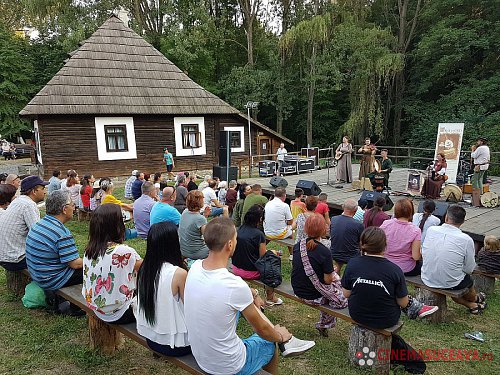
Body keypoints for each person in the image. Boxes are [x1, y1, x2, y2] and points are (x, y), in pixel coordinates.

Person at [184, 217, 315, 375]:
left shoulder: (196, 267)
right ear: (230, 244)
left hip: (201, 356)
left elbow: (228, 288)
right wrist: (279, 335)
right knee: (269, 342)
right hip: (226, 365)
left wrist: (252, 292)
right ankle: (286, 342)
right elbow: (262, 329)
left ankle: (288, 342)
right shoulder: (233, 286)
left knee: (248, 305)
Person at [341, 227, 438, 330]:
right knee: (399, 297)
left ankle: (417, 307)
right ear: (385, 245)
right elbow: (403, 303)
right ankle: (416, 307)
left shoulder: (352, 263)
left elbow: (346, 294)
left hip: (357, 314)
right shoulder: (394, 270)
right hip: (386, 319)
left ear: (362, 244)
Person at [136, 222, 191, 356]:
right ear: (172, 243)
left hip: (152, 339)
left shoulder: (144, 269)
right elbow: (191, 309)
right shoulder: (178, 274)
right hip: (177, 344)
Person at [83, 204, 142, 323]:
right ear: (116, 225)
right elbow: (146, 268)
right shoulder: (124, 251)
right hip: (121, 312)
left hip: (97, 309)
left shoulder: (89, 251)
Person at [421, 205, 486, 314]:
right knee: (466, 282)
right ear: (463, 222)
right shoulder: (466, 240)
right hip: (449, 282)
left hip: (427, 276)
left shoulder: (432, 230)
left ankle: (473, 304)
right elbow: (469, 268)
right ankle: (474, 299)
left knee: (455, 278)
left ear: (446, 217)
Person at [292, 214, 347, 337]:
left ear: (306, 229)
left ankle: (324, 324)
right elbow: (327, 281)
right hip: (312, 296)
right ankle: (324, 324)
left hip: (298, 289)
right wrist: (334, 271)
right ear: (323, 230)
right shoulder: (325, 252)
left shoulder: (298, 246)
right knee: (339, 297)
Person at [25, 191, 83, 295]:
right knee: (92, 271)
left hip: (38, 275)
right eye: (72, 205)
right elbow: (76, 264)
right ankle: (79, 307)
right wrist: (94, 261)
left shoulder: (39, 224)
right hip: (51, 280)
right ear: (64, 209)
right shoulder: (61, 233)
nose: (74, 208)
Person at [232, 205, 282, 306]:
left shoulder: (239, 229)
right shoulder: (258, 235)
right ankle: (270, 297)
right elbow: (263, 257)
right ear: (260, 219)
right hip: (250, 272)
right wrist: (272, 252)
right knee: (271, 265)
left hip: (236, 268)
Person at [0, 176, 47, 271]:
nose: (45, 192)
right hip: (16, 260)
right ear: (34, 191)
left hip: (4, 257)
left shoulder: (18, 201)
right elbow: (37, 235)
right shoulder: (29, 205)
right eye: (42, 189)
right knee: (57, 260)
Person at [380, 199, 422, 276]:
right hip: (405, 268)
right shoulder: (415, 230)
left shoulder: (386, 224)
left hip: (385, 264)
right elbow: (416, 257)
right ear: (411, 211)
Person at [330, 198, 364, 274]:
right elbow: (361, 243)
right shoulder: (358, 225)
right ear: (355, 211)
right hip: (351, 256)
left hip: (334, 252)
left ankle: (337, 275)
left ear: (343, 207)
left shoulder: (333, 219)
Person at [179, 190, 211, 260]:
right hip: (196, 252)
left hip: (184, 250)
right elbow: (208, 239)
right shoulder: (200, 219)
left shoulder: (185, 212)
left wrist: (205, 215)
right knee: (218, 248)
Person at [470, 137, 490, 207]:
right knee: (480, 180)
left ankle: (476, 195)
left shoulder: (480, 148)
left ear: (481, 142)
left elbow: (474, 155)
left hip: (479, 166)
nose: (477, 142)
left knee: (474, 180)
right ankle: (481, 194)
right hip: (484, 166)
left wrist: (473, 150)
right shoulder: (486, 147)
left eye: (478, 141)